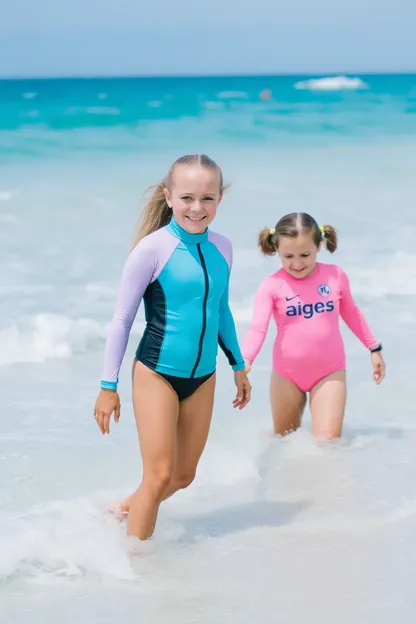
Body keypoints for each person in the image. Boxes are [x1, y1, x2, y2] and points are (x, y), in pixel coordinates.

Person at [93, 154, 251, 541]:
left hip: (204, 375)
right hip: (157, 373)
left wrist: (238, 364)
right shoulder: (152, 249)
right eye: (187, 197)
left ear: (219, 199)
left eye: (207, 198)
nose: (197, 208)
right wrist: (107, 387)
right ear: (168, 196)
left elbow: (221, 309)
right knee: (159, 474)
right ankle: (137, 566)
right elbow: (122, 320)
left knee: (183, 476)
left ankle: (124, 509)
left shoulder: (224, 248)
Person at [241, 212, 385, 439]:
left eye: (305, 255)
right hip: (286, 374)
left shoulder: (335, 276)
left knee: (327, 446)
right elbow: (258, 328)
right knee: (284, 444)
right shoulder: (271, 286)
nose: (297, 264)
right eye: (288, 256)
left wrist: (374, 348)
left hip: (330, 372)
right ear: (276, 249)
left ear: (319, 245)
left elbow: (352, 314)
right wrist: (245, 359)